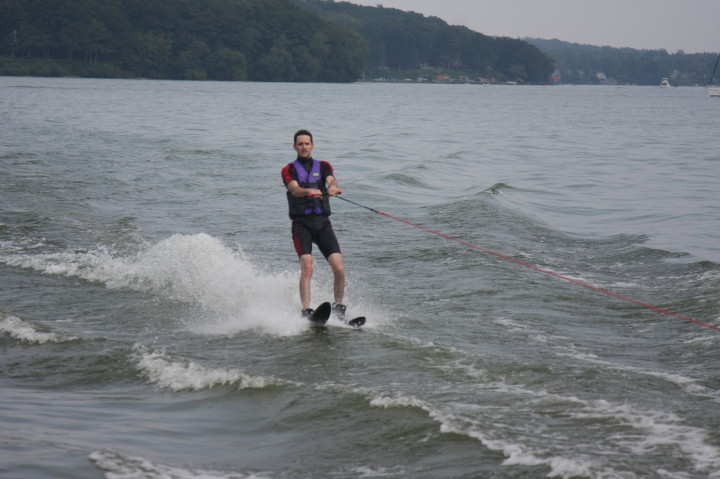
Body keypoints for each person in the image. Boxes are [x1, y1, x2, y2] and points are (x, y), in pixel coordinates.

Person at [281, 129, 346, 321]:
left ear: (312, 145)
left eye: (306, 143)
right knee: (307, 266)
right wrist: (309, 190)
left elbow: (330, 179)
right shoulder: (288, 169)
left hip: (322, 224)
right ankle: (307, 310)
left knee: (339, 267)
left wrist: (332, 186)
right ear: (294, 147)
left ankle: (339, 307)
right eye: (300, 144)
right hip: (302, 225)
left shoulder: (324, 165)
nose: (303, 147)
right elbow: (294, 189)